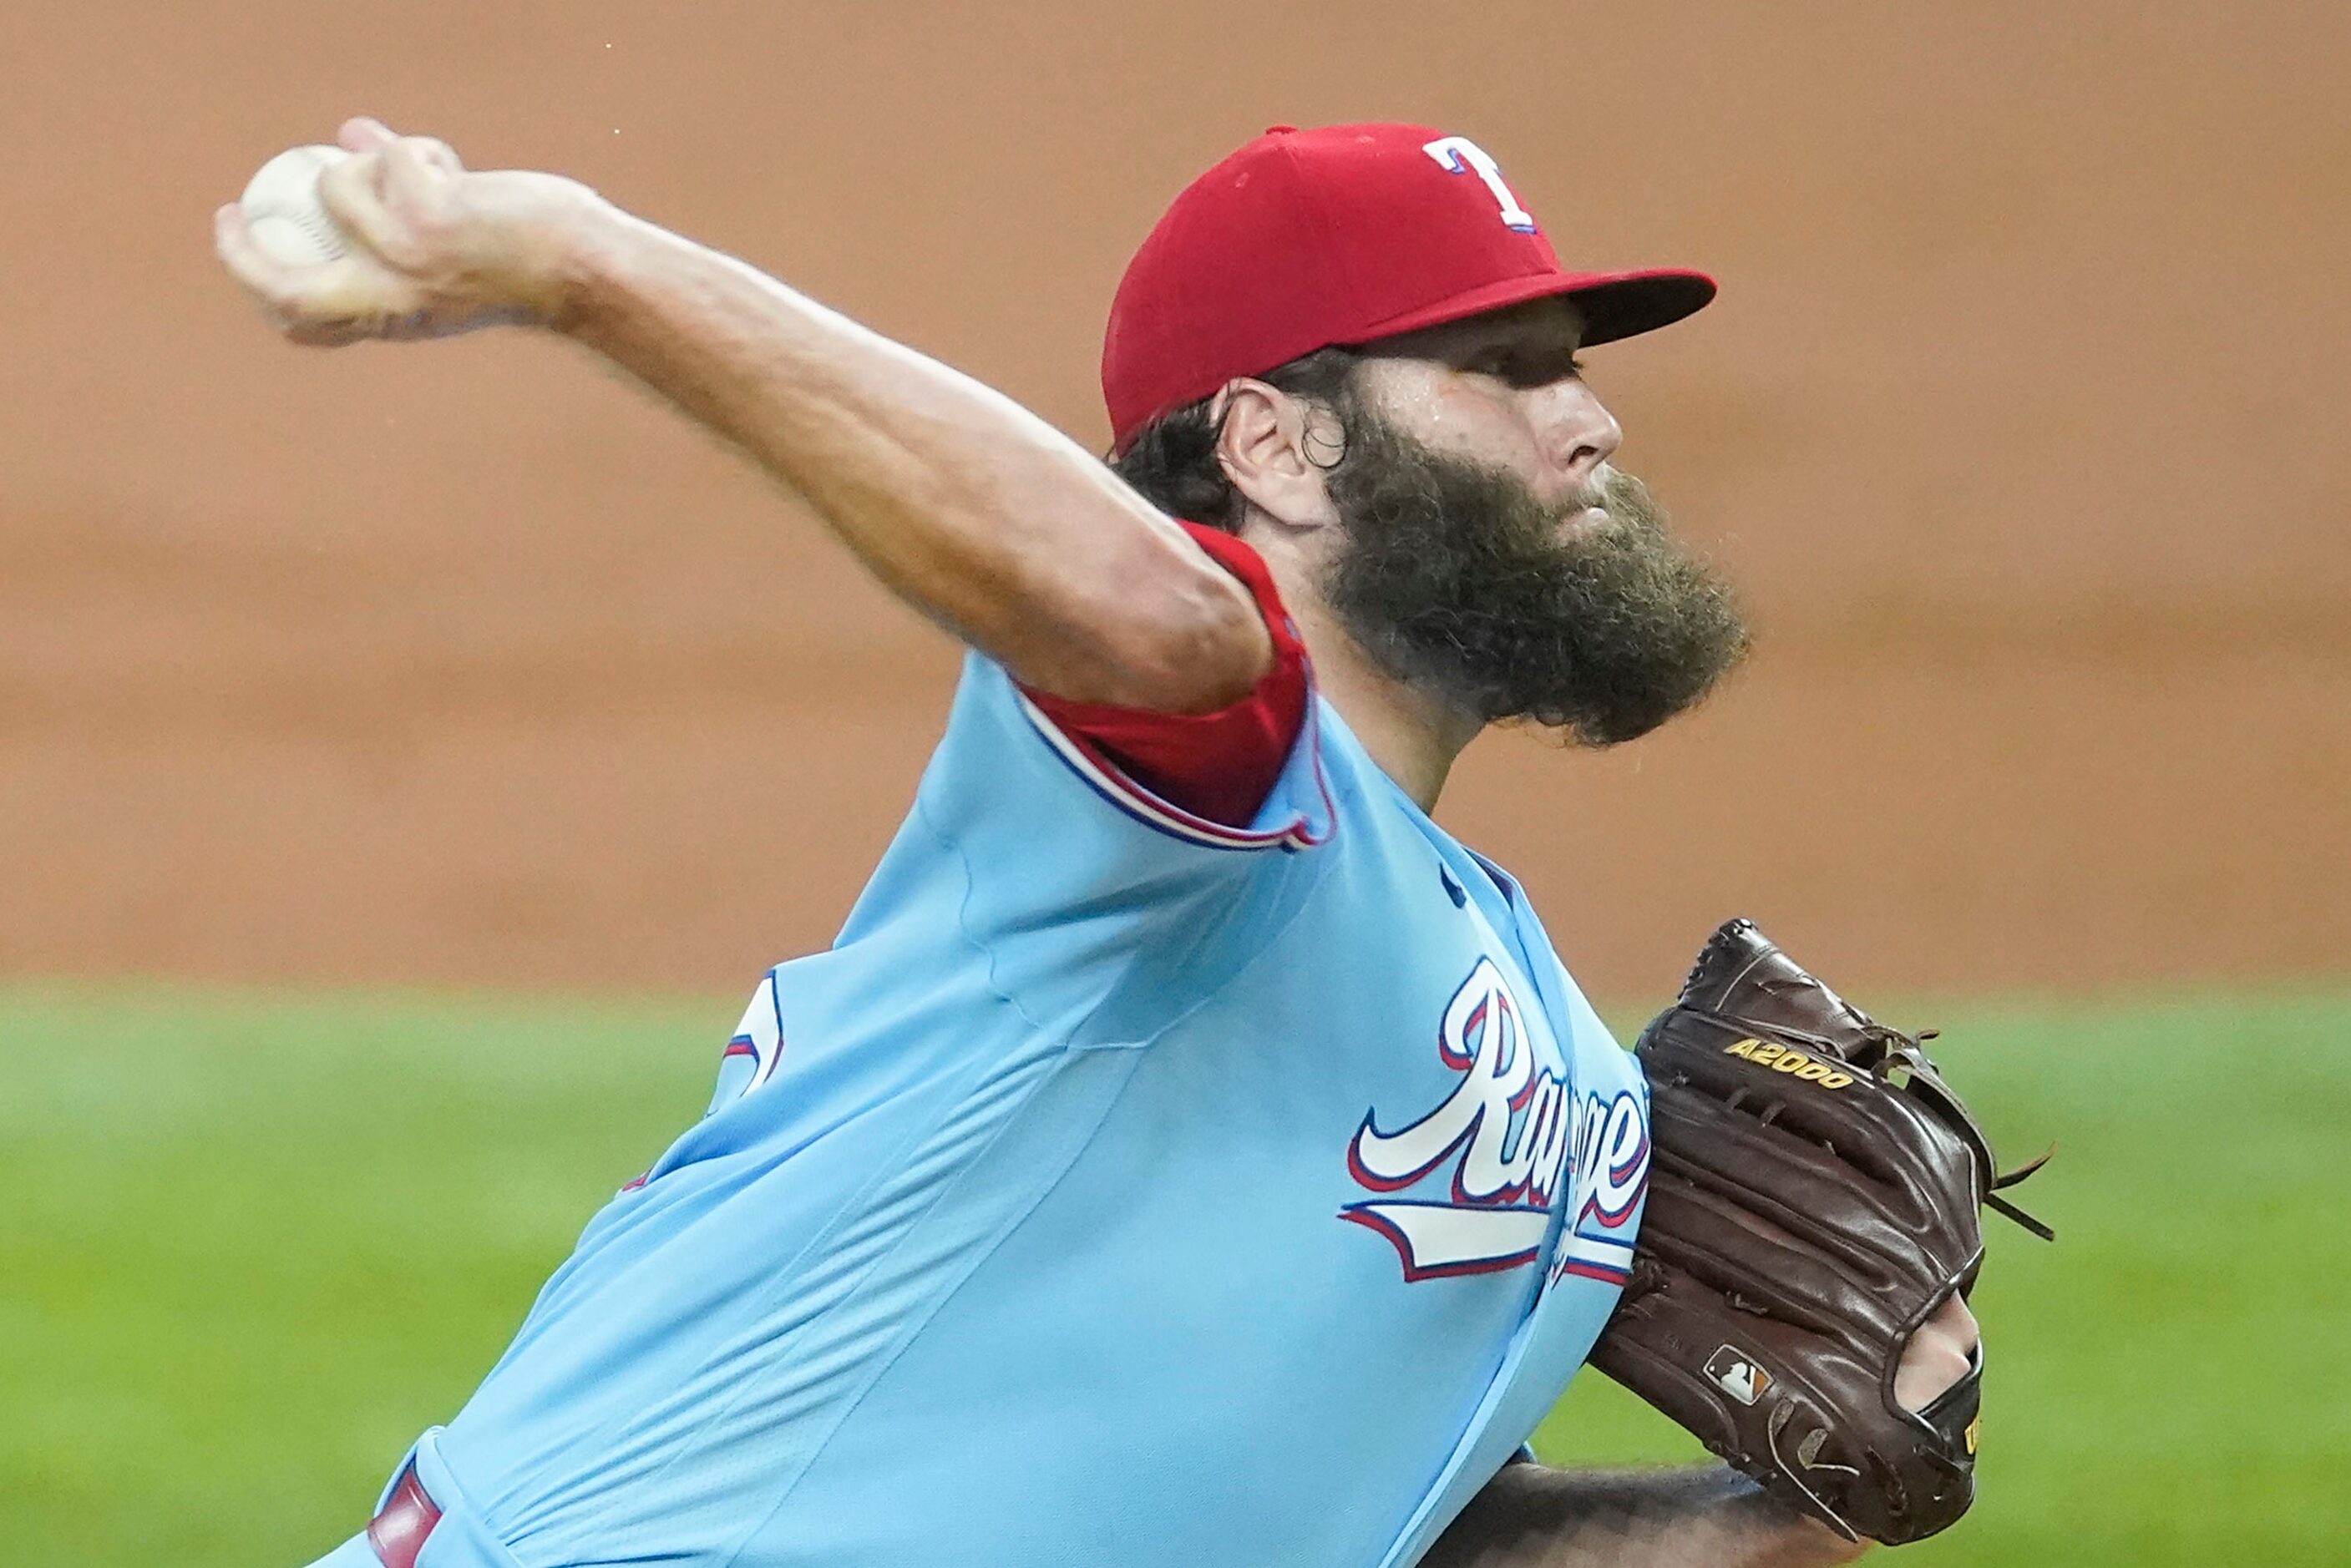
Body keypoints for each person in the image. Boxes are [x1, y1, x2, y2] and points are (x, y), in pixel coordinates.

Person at [216, 117, 1977, 1568]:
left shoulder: (1565, 1072)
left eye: (1574, 372)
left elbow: (1358, 1530)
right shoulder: (1188, 809)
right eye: (1498, 370)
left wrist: (1781, 1524)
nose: (1586, 417)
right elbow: (1162, 628)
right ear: (1274, 444)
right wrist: (586, 265)